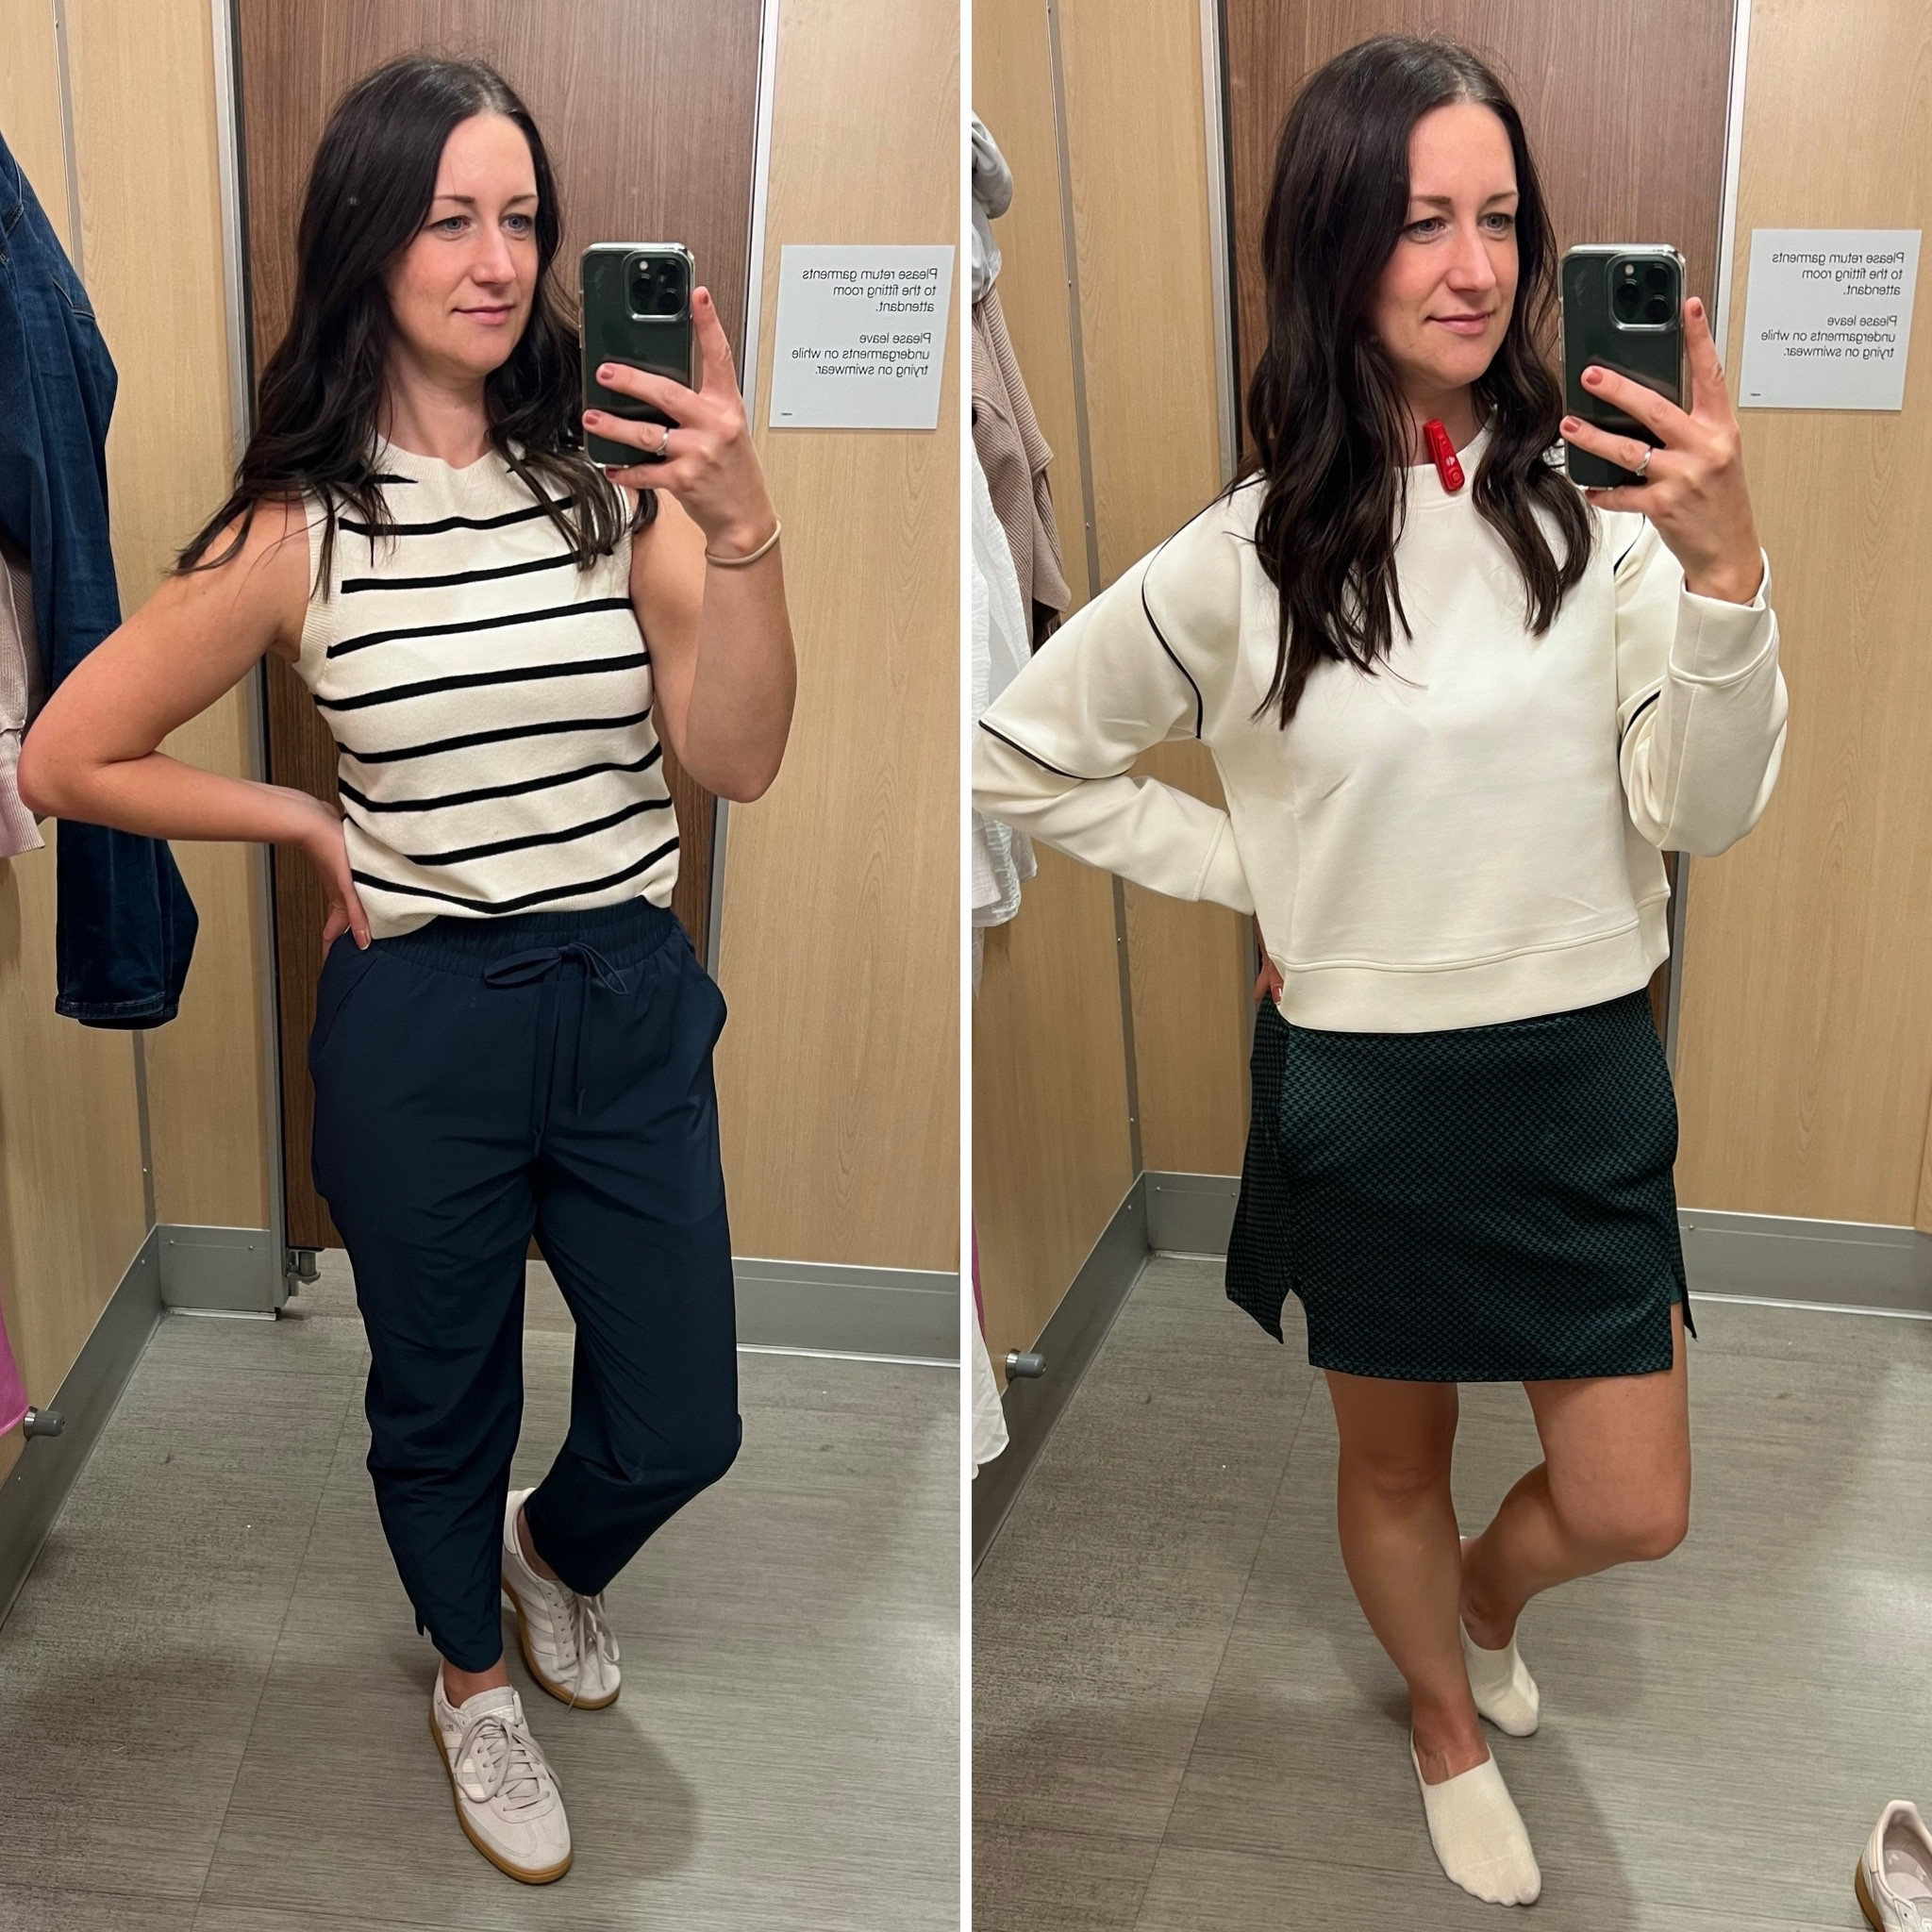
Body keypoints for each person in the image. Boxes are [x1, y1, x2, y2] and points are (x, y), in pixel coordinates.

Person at [974, 34, 1785, 1910]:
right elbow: (1014, 753)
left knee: (1633, 1502)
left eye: (1500, 218)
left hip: (1581, 1067)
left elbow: (1699, 809)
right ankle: (1439, 1718)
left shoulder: (1611, 515)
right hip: (1366, 1080)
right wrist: (1252, 873)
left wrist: (1728, 581)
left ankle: (1488, 1605)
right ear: (1334, 246)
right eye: (1422, 220)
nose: (1474, 266)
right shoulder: (1239, 558)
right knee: (1395, 1461)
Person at [20, 54, 794, 1885]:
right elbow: (63, 755)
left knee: (683, 1415)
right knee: (439, 1395)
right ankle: (470, 1675)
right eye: (451, 219)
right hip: (423, 1019)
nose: (497, 259)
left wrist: (741, 520)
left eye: (520, 218)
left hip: (622, 996)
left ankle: (550, 1555)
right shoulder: (296, 524)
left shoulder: (613, 484)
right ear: (368, 240)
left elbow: (741, 757)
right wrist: (302, 820)